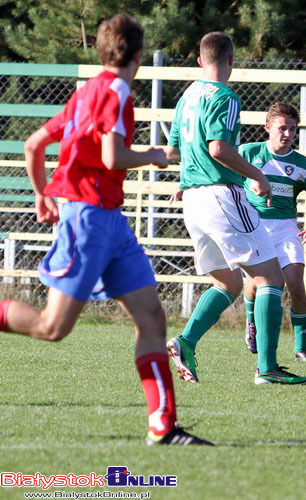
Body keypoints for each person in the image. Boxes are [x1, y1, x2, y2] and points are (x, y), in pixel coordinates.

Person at [0, 13, 212, 446]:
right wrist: (153, 155)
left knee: (152, 318)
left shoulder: (87, 92)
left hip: (110, 221)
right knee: (52, 327)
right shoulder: (115, 92)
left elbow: (34, 143)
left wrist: (42, 192)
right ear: (138, 54)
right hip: (89, 219)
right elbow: (114, 157)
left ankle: (163, 427)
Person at [165, 32, 306, 385]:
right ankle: (267, 368)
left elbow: (171, 154)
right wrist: (256, 175)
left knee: (228, 283)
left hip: (193, 201)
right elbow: (219, 149)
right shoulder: (226, 97)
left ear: (200, 61)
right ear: (231, 60)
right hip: (221, 196)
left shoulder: (186, 99)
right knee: (270, 278)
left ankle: (186, 342)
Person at [241, 102, 306, 362]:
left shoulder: (303, 165)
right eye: (282, 128)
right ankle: (251, 322)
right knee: (256, 283)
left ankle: (301, 348)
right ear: (267, 128)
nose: (287, 134)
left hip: (286, 229)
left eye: (292, 129)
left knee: (295, 283)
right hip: (254, 227)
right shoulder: (248, 153)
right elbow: (219, 171)